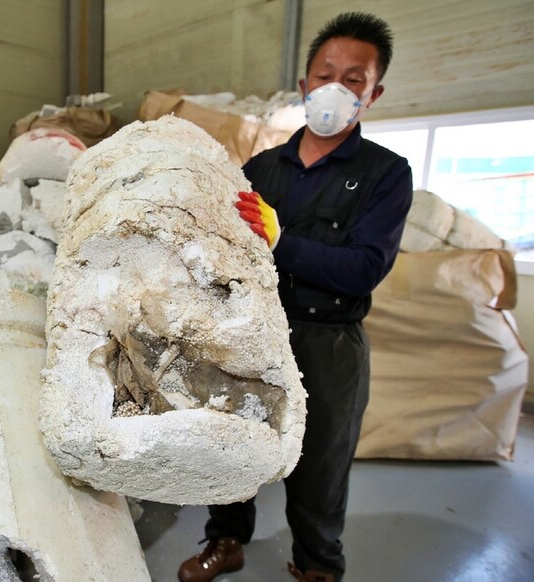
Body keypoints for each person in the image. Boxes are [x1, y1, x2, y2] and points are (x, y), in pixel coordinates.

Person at [177, 12, 413, 582]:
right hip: (253, 330)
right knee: (236, 444)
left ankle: (317, 567)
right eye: (325, 72)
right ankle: (227, 540)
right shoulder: (262, 168)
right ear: (305, 84)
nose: (336, 86)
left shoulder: (385, 174)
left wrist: (281, 240)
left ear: (372, 93)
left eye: (353, 78)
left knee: (321, 467)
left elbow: (363, 269)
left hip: (328, 340)